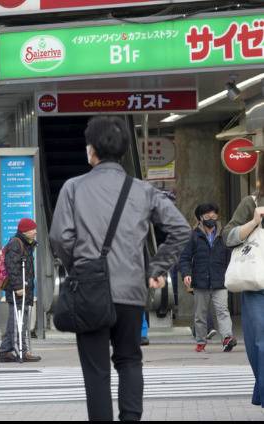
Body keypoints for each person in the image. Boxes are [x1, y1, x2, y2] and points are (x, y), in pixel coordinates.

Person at [49, 116, 191, 422]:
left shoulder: (73, 188)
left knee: (96, 371)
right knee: (129, 360)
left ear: (91, 151)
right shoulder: (143, 190)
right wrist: (156, 266)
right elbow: (180, 228)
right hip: (131, 290)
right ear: (125, 151)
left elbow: (60, 237)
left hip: (89, 292)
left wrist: (79, 266)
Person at [224, 164, 264, 409]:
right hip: (258, 288)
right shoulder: (251, 202)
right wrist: (254, 222)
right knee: (260, 348)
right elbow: (227, 236)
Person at [180, 203, 236, 353]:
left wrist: (231, 274)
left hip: (220, 281)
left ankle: (227, 338)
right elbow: (184, 258)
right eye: (207, 216)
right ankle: (200, 341)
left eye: (214, 216)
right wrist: (186, 274)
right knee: (200, 314)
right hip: (200, 282)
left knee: (223, 311)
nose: (211, 219)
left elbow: (231, 257)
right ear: (200, 218)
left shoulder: (224, 235)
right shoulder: (193, 236)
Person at [0, 218, 42, 363]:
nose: (35, 231)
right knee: (18, 323)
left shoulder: (27, 244)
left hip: (25, 289)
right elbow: (12, 267)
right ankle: (20, 351)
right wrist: (18, 287)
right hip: (18, 290)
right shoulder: (16, 243)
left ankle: (5, 352)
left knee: (17, 322)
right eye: (33, 229)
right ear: (25, 231)